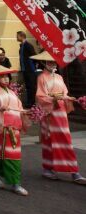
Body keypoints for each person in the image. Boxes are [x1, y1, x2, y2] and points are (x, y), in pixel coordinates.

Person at [32, 50, 86, 184]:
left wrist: (69, 98)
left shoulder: (59, 77)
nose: (52, 63)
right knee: (51, 141)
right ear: (44, 63)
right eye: (49, 61)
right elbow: (40, 96)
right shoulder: (41, 77)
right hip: (50, 112)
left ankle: (72, 170)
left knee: (65, 140)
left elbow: (65, 93)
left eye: (53, 61)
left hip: (60, 111)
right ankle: (51, 168)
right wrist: (54, 98)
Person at [0, 63, 29, 196]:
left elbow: (19, 108)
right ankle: (15, 183)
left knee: (5, 154)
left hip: (14, 127)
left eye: (6, 77)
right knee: (10, 156)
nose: (5, 79)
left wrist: (25, 113)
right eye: (2, 77)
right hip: (4, 127)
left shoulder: (11, 92)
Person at [16, 31, 36, 108]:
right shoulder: (21, 46)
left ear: (21, 36)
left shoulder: (28, 45)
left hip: (30, 70)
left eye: (17, 36)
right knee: (27, 87)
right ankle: (29, 102)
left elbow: (33, 56)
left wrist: (33, 66)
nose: (16, 38)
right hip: (25, 70)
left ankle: (32, 103)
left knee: (31, 87)